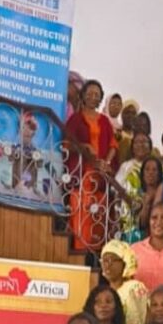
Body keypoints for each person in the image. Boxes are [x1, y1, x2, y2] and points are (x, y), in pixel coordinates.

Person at [65, 79, 118, 252]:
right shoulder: (75, 119)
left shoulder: (105, 121)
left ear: (101, 98)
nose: (93, 97)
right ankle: (80, 253)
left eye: (97, 94)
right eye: (90, 93)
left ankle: (95, 255)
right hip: (81, 174)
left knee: (98, 218)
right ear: (83, 96)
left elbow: (113, 145)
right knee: (81, 216)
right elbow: (65, 144)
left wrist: (106, 163)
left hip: (99, 177)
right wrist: (84, 147)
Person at [99, 240, 150, 324]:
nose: (107, 265)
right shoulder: (103, 292)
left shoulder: (134, 288)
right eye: (104, 260)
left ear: (125, 262)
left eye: (112, 260)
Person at [115, 131, 154, 242]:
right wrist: (116, 217)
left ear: (150, 147)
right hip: (128, 217)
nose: (141, 145)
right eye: (137, 142)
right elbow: (117, 192)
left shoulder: (157, 166)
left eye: (144, 142)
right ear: (132, 148)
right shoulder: (126, 166)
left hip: (151, 216)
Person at [116, 98, 139, 164]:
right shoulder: (117, 133)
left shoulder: (138, 136)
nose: (130, 116)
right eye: (127, 112)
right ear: (122, 115)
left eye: (133, 113)